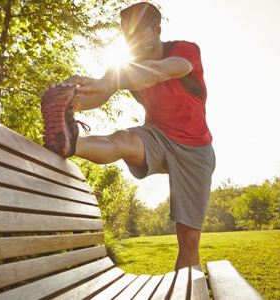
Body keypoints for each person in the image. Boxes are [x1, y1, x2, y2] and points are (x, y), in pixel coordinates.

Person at [41, 2, 215, 270]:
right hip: (157, 136)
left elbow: (163, 71)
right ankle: (70, 143)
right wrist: (71, 97)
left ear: (157, 30)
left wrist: (109, 81)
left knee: (189, 239)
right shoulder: (126, 66)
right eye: (126, 34)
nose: (131, 40)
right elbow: (99, 94)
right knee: (122, 139)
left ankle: (187, 291)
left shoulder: (184, 50)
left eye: (137, 33)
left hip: (196, 149)